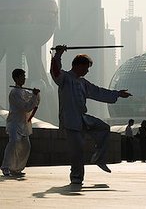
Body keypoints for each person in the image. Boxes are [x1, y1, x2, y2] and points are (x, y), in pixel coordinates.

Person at [50, 45, 132, 185]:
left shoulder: (83, 83)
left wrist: (117, 93)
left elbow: (98, 92)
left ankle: (99, 158)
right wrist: (58, 54)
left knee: (104, 128)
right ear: (78, 66)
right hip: (70, 121)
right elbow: (55, 72)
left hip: (83, 118)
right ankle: (76, 177)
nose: (87, 71)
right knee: (77, 150)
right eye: (86, 68)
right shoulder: (65, 78)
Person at [0, 68, 40, 177]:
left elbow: (33, 99)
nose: (24, 78)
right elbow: (26, 107)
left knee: (26, 146)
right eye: (22, 76)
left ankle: (16, 167)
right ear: (16, 78)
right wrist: (34, 96)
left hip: (23, 123)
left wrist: (35, 94)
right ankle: (6, 166)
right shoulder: (14, 93)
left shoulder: (23, 91)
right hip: (14, 122)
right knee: (13, 143)